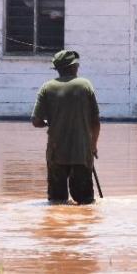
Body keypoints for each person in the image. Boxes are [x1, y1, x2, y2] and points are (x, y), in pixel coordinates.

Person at [32, 50, 101, 205]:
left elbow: (36, 121)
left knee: (57, 202)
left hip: (56, 152)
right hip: (82, 151)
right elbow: (95, 121)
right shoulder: (85, 85)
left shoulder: (46, 88)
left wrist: (49, 123)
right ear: (73, 67)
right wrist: (93, 146)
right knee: (86, 203)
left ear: (57, 69)